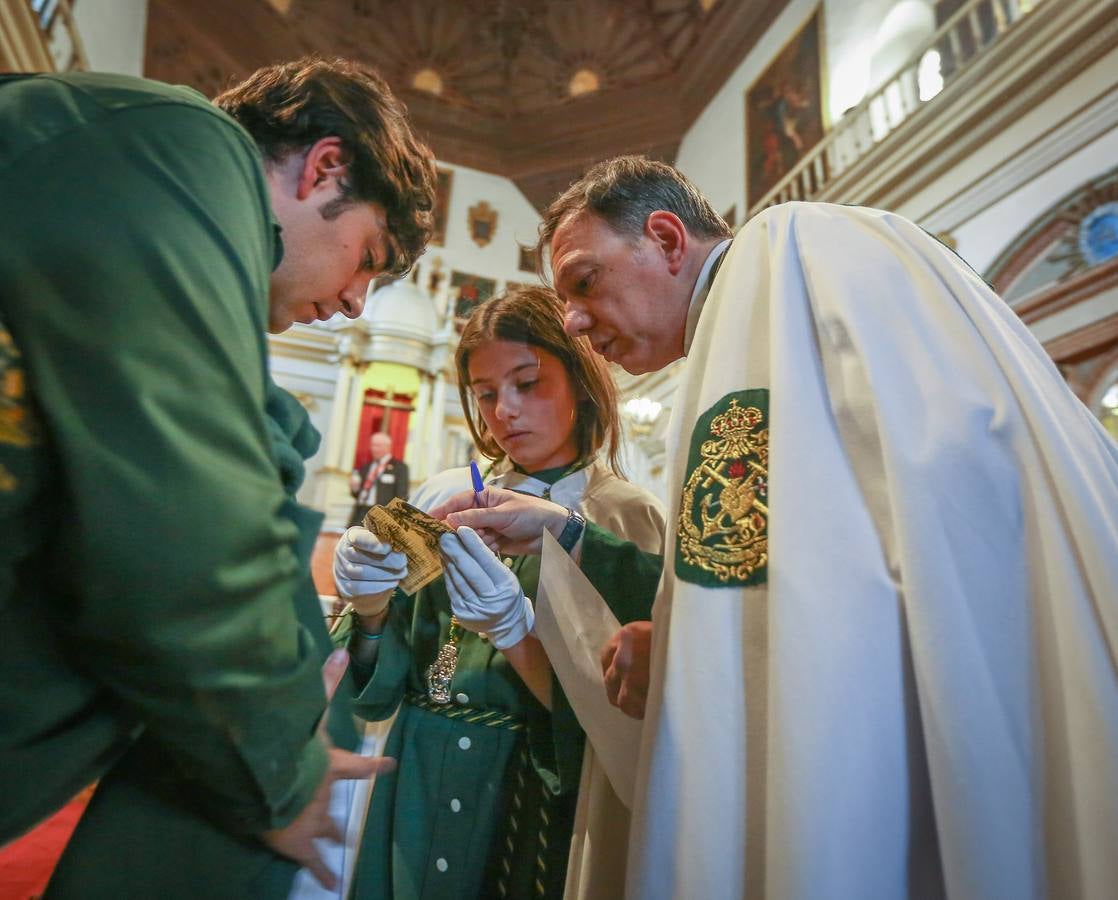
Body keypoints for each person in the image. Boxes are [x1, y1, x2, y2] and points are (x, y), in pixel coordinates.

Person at [431, 156, 1118, 899]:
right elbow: (808, 521)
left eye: (585, 282)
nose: (571, 320)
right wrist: (678, 631)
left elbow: (924, 484)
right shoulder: (743, 311)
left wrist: (684, 637)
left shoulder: (796, 248)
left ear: (665, 239)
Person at [0, 56, 436, 897]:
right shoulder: (186, 149)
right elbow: (185, 530)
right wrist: (279, 771)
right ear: (325, 167)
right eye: (368, 259)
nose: (355, 303)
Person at [331, 285, 664, 899]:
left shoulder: (621, 517)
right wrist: (371, 606)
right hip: (417, 772)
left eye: (527, 383)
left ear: (581, 383)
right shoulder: (444, 498)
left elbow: (624, 718)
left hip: (527, 784)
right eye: (485, 394)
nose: (503, 411)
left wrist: (518, 630)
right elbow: (376, 690)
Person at [348, 431, 410, 527]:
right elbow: (357, 495)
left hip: (381, 515)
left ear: (388, 447)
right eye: (372, 445)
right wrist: (354, 488)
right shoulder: (366, 467)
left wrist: (391, 519)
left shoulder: (399, 467)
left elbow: (402, 497)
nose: (374, 449)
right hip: (359, 512)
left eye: (378, 445)